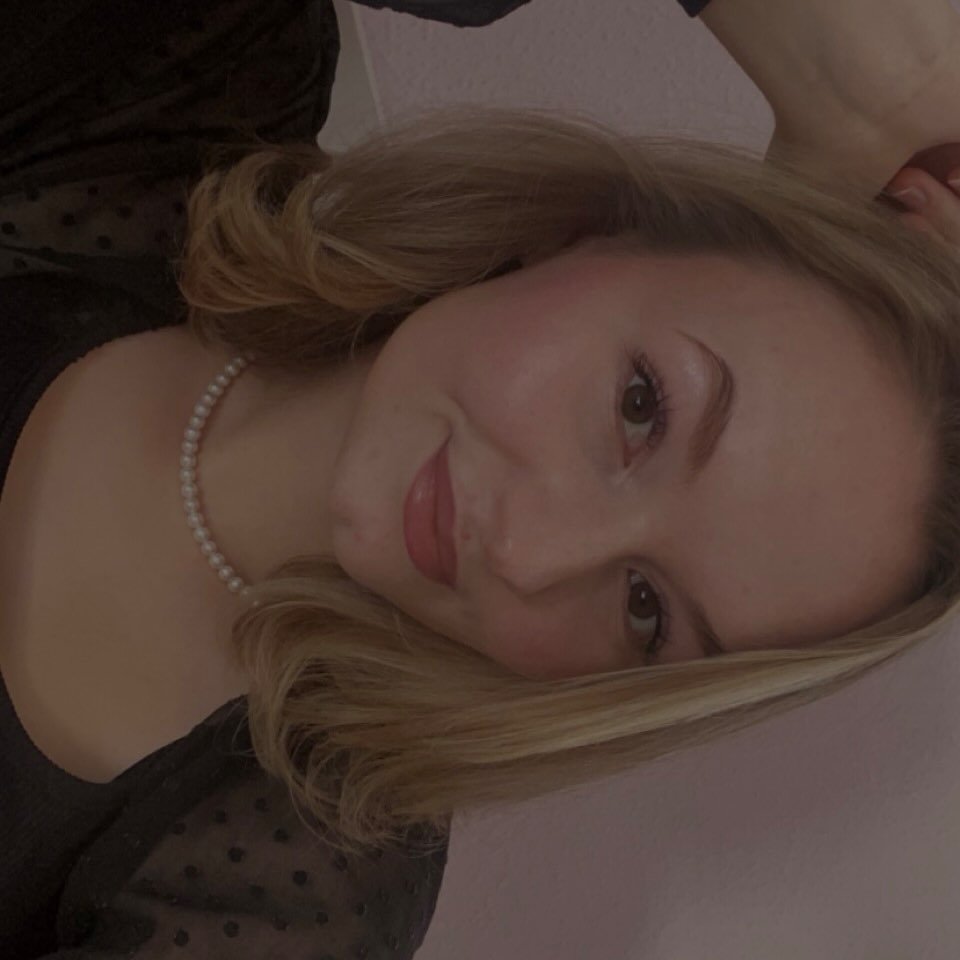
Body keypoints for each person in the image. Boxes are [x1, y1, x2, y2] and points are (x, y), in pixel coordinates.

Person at [1, 0, 959, 957]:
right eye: (640, 407)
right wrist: (849, 58)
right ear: (597, 230)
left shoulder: (276, 901)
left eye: (645, 609)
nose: (528, 553)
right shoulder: (178, 84)